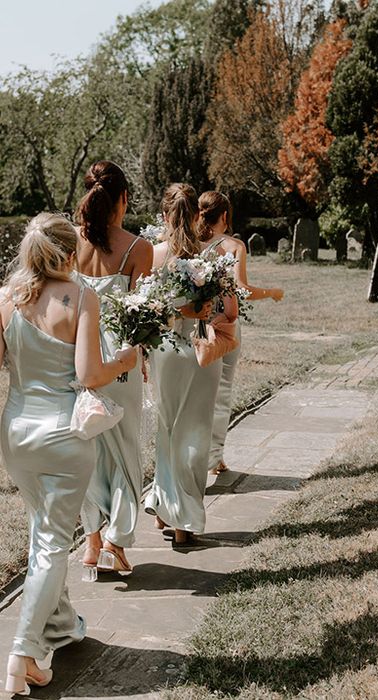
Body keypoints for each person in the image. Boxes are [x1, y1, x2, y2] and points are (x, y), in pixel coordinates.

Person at [0, 214, 137, 694]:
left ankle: (59, 626)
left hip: (15, 434)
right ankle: (22, 657)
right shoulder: (81, 296)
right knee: (53, 544)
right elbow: (88, 375)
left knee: (43, 532)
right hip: (63, 437)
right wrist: (125, 360)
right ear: (66, 251)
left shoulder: (7, 297)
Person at [145, 184, 238, 545]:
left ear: (165, 214)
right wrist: (204, 312)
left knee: (167, 430)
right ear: (197, 214)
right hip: (201, 350)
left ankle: (164, 504)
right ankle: (183, 523)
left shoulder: (153, 255)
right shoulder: (213, 257)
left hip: (165, 349)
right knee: (196, 434)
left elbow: (144, 309)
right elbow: (230, 311)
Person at [73, 161, 153, 576]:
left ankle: (91, 545)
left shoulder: (70, 245)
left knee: (90, 451)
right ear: (123, 198)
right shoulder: (139, 249)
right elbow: (143, 320)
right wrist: (142, 361)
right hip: (119, 363)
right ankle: (116, 542)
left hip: (81, 363)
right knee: (125, 455)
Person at [197, 191, 283, 476]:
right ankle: (214, 459)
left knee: (193, 394)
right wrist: (271, 292)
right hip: (225, 328)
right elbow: (242, 291)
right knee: (221, 390)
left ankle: (195, 456)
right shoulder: (234, 246)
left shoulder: (189, 243)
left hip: (193, 326)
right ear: (224, 216)